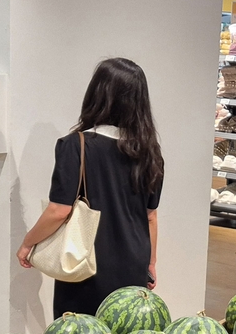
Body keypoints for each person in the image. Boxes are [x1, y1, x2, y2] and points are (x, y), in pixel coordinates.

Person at [17, 58, 164, 317]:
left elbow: (59, 211)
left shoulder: (77, 146)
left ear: (98, 94)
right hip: (133, 264)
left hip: (86, 267)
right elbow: (150, 216)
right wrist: (150, 263)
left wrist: (28, 243)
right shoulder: (150, 153)